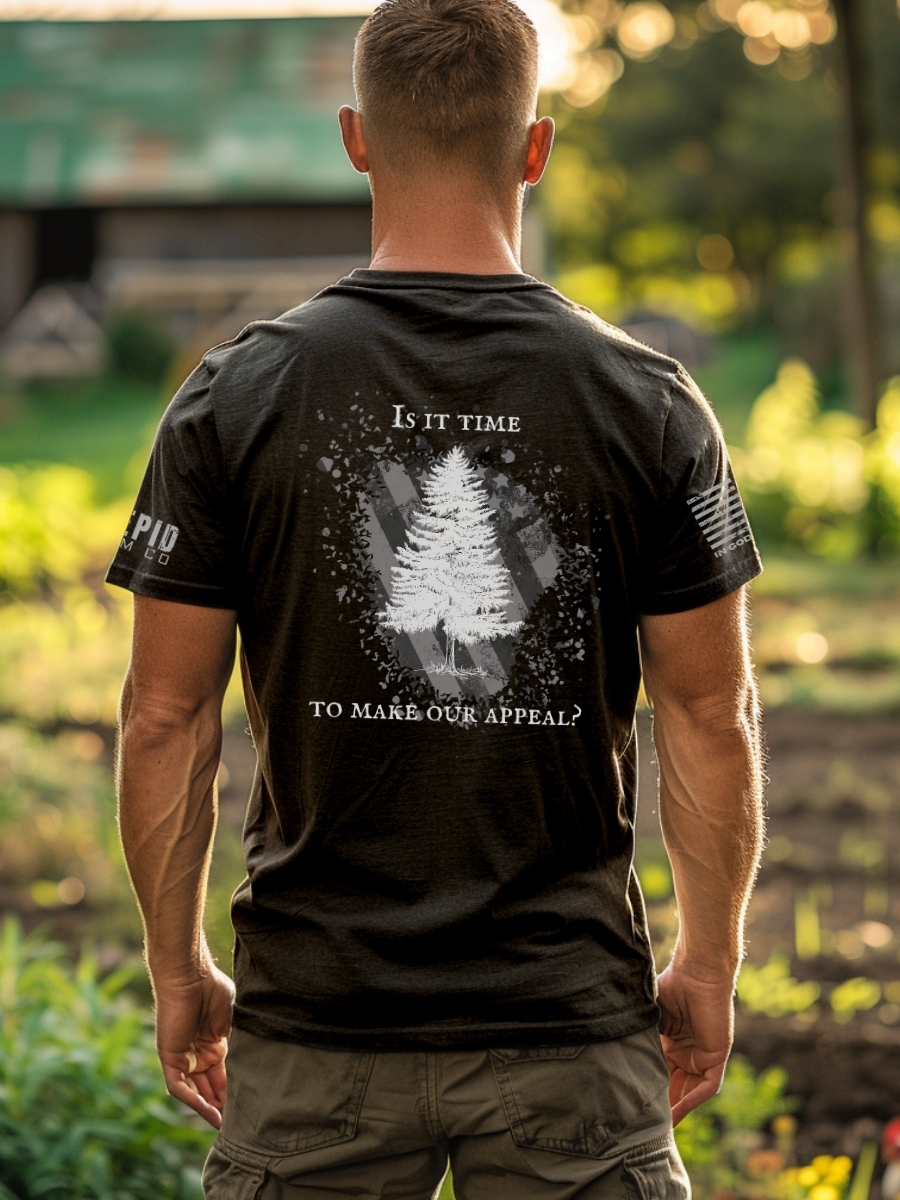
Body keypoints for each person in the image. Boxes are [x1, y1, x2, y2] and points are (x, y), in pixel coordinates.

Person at [109, 1, 765, 1196]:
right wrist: (708, 968)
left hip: (314, 1035)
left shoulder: (233, 397)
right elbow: (712, 716)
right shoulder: (650, 402)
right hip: (570, 1035)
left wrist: (178, 967)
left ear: (357, 139)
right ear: (536, 147)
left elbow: (164, 716)